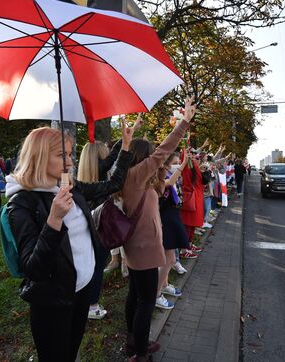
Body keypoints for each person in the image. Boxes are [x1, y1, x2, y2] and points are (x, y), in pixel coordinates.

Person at [5, 122, 134, 362]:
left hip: (82, 289)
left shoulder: (69, 187)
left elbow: (112, 185)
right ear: (40, 156)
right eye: (61, 155)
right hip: (53, 300)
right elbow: (34, 269)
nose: (70, 161)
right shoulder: (22, 203)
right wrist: (54, 220)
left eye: (70, 152)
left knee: (72, 350)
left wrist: (125, 148)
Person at [120, 97, 196, 362]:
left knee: (135, 297)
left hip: (138, 247)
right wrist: (183, 123)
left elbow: (161, 177)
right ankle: (140, 352)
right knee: (145, 302)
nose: (156, 156)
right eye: (150, 153)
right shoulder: (136, 175)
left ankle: (133, 340)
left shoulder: (135, 179)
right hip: (145, 249)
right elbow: (164, 151)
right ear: (143, 157)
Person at [76, 115, 142, 321]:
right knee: (96, 265)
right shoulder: (101, 173)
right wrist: (125, 143)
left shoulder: (84, 175)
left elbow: (111, 157)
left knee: (91, 263)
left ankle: (87, 301)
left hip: (87, 225)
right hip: (101, 224)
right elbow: (114, 161)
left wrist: (127, 137)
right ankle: (92, 304)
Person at [155, 150, 190, 310]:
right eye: (173, 163)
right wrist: (182, 165)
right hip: (165, 219)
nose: (175, 167)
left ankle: (164, 285)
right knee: (168, 259)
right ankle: (156, 294)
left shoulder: (165, 175)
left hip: (171, 216)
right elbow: (167, 184)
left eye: (177, 163)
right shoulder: (159, 177)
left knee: (168, 258)